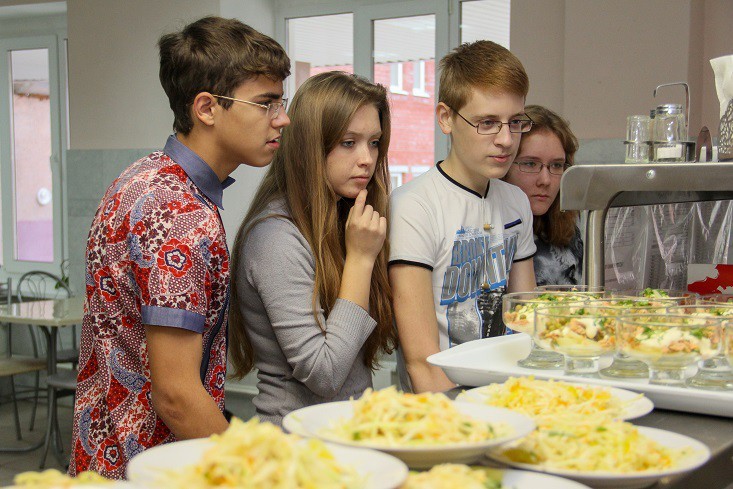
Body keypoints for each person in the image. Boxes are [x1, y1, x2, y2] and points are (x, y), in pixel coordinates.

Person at [69, 17, 290, 478]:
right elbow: (177, 395)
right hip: (148, 467)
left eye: (281, 101)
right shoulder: (178, 215)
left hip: (108, 459)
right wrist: (258, 471)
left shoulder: (144, 178)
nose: (282, 118)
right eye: (266, 103)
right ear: (207, 108)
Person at [229, 71, 397, 426]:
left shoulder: (343, 217)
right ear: (310, 144)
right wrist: (361, 259)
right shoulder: (276, 237)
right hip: (296, 448)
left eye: (374, 141)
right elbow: (326, 374)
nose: (367, 158)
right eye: (348, 142)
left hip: (346, 435)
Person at [389, 41, 537, 394]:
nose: (506, 140)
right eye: (488, 123)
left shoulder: (516, 201)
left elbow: (530, 324)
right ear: (446, 118)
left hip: (508, 394)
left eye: (515, 122)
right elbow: (421, 361)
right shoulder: (415, 205)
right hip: (444, 405)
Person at [503, 105, 582, 286]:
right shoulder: (489, 233)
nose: (545, 180)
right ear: (505, 166)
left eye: (556, 165)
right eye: (531, 164)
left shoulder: (570, 228)